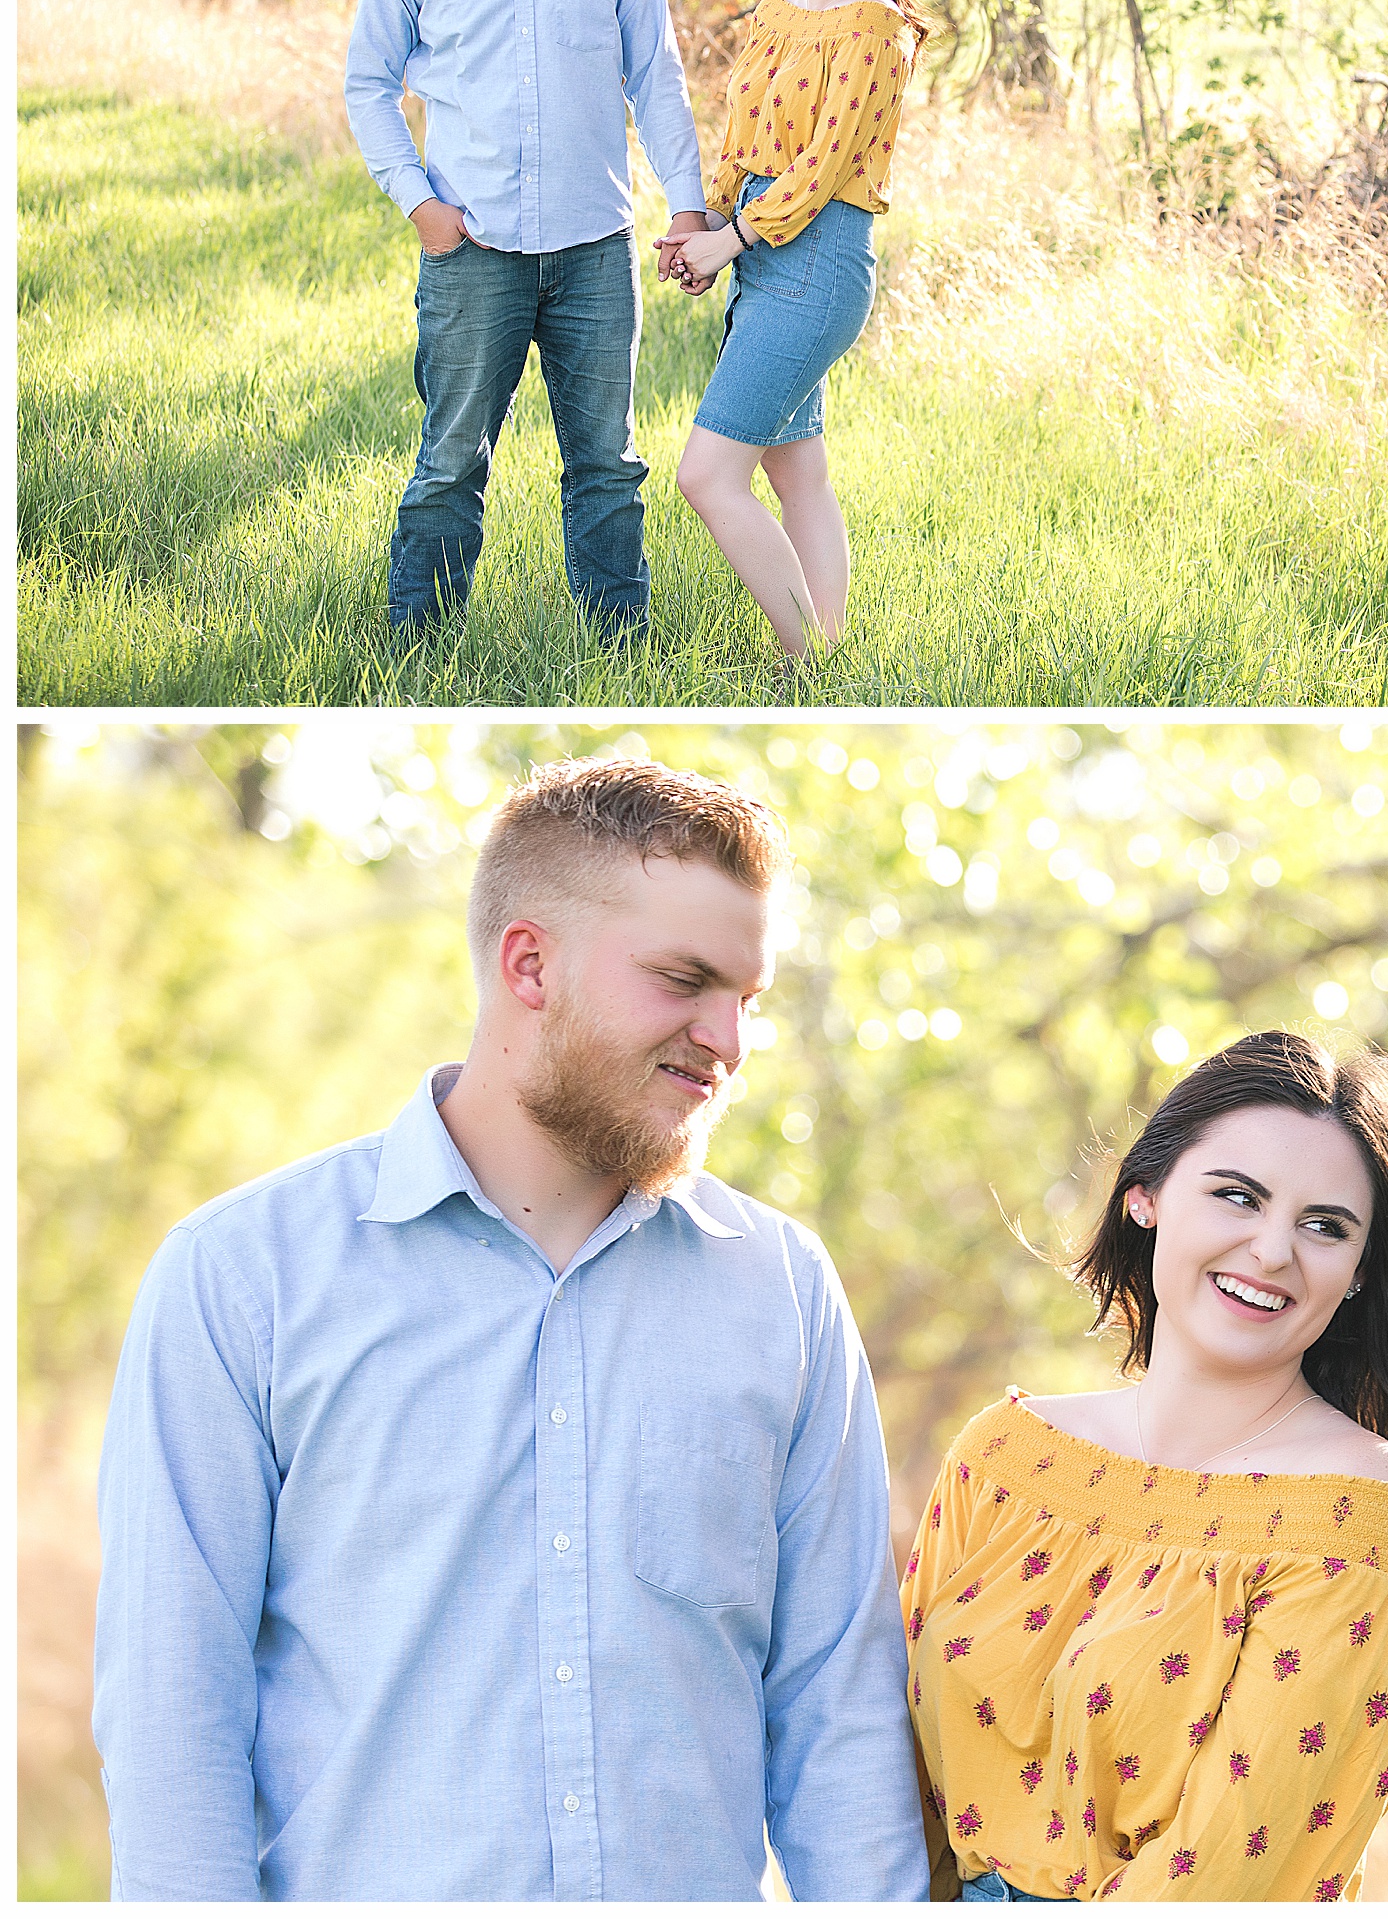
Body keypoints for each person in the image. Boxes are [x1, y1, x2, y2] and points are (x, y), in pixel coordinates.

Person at [92, 756, 930, 1902]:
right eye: (685, 980)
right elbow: (170, 1707)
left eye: (749, 996)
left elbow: (838, 1711)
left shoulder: (782, 1288)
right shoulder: (243, 1277)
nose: (728, 1039)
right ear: (528, 963)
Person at [903, 1031, 1388, 1903]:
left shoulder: (1353, 1518)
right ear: (1145, 1195)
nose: (1274, 1250)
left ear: (1357, 1273)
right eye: (1239, 1196)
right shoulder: (1007, 1458)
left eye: (1325, 1226)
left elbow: (1229, 1871)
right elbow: (878, 1764)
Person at [345, 0, 713, 641]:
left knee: (607, 463)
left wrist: (690, 202)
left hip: (594, 242)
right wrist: (419, 205)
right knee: (449, 462)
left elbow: (656, 75)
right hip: (471, 248)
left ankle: (619, 652)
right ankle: (417, 652)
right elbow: (367, 85)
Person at [652, 0, 926, 663]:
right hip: (755, 243)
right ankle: (831, 655)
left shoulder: (878, 27)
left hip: (817, 259)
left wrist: (728, 242)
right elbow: (742, 137)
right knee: (794, 469)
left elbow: (824, 165)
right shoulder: (779, 10)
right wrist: (701, 230)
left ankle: (801, 656)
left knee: (706, 476)